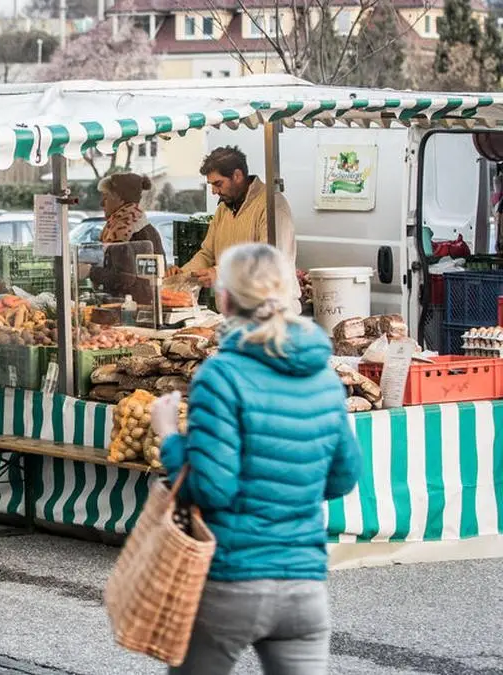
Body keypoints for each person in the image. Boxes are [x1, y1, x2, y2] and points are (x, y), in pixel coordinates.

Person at [149, 243, 361, 674]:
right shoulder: (323, 376)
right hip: (304, 586)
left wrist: (170, 436)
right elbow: (342, 478)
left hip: (232, 578)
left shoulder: (220, 375)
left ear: (223, 300)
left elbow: (212, 487)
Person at [171, 146, 299, 303]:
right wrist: (182, 274)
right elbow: (207, 254)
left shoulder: (272, 205)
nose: (214, 191)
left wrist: (220, 273)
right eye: (211, 185)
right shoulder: (223, 209)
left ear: (237, 175)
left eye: (218, 184)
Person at [97, 172, 165, 256]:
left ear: (121, 198)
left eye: (106, 197)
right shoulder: (116, 226)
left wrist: (89, 269)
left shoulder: (137, 234)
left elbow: (125, 268)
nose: (102, 203)